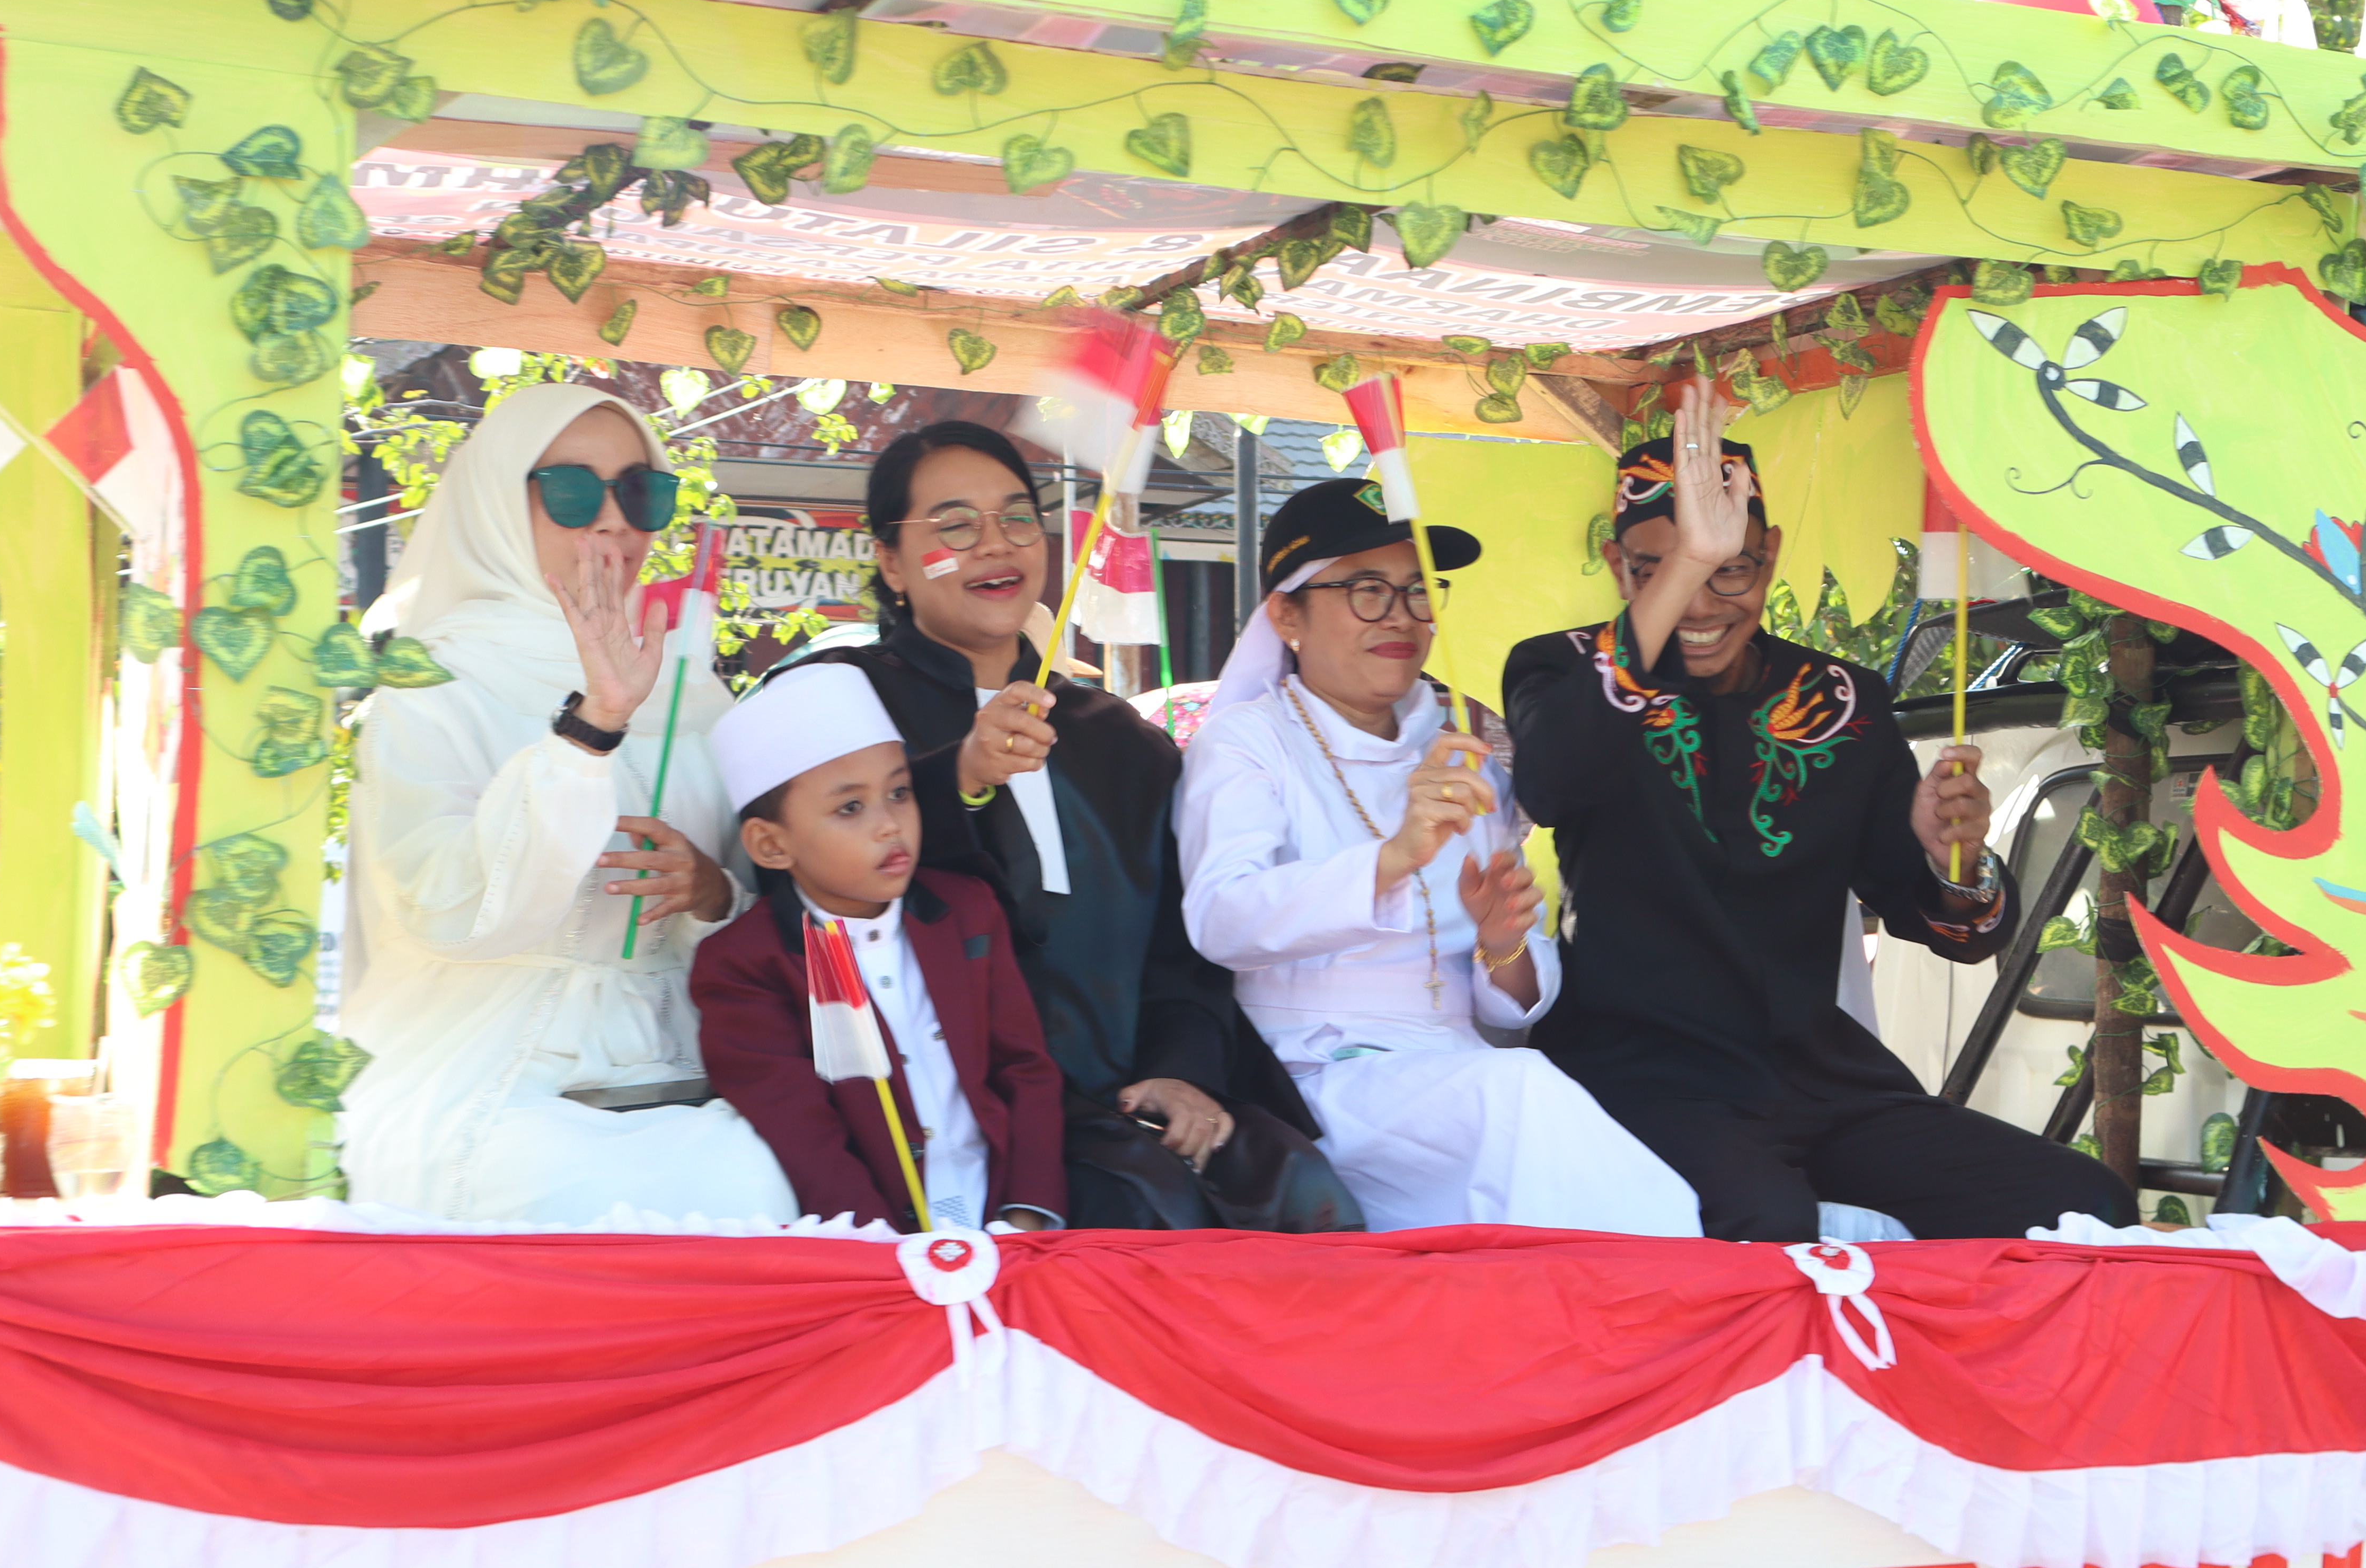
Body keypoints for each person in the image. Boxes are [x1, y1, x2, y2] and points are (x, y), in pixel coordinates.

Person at [1502, 379, 2136, 1242]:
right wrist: (1694, 558)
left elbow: (1953, 928)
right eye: (1665, 570)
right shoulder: (1563, 668)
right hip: (1641, 1075)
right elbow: (1549, 781)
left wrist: (1954, 862)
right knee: (1764, 1224)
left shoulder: (1842, 698)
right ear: (1621, 569)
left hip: (1820, 1077)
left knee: (2081, 1208)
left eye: (1730, 568)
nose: (1701, 604)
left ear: (1770, 557)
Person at [813, 422, 1359, 1233]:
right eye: (955, 526)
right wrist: (958, 778)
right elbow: (806, 880)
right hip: (942, 1101)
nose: (996, 544)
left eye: (1017, 518)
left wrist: (1182, 1073)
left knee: (1302, 1194)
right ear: (891, 561)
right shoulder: (835, 705)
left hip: (1129, 1093)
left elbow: (1183, 950)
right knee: (1142, 1213)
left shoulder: (1119, 739)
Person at [1176, 479, 1703, 1237]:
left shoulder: (1461, 753)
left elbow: (1510, 1002)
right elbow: (1221, 919)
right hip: (1309, 1077)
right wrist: (1393, 859)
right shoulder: (1248, 742)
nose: (1400, 616)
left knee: (1535, 1114)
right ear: (1286, 615)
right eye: (1367, 591)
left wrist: (1503, 943)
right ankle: (1680, 1287)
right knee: (1520, 1102)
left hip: (1454, 1068)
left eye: (1418, 591)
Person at [339, 385, 796, 1225]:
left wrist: (709, 893)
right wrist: (590, 732)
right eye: (575, 492)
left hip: (689, 1074)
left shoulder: (691, 690)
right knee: (569, 1190)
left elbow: (764, 900)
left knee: (762, 1183)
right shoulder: (433, 686)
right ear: (497, 502)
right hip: (490, 1069)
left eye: (641, 492)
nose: (615, 521)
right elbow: (447, 907)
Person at [688, 664, 1066, 1229]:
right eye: (851, 808)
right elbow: (803, 1137)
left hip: (1006, 1223)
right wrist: (882, 1252)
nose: (890, 825)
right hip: (871, 1243)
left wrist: (1027, 1215)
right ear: (771, 845)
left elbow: (1026, 1069)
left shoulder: (968, 911)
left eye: (899, 793)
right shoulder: (746, 965)